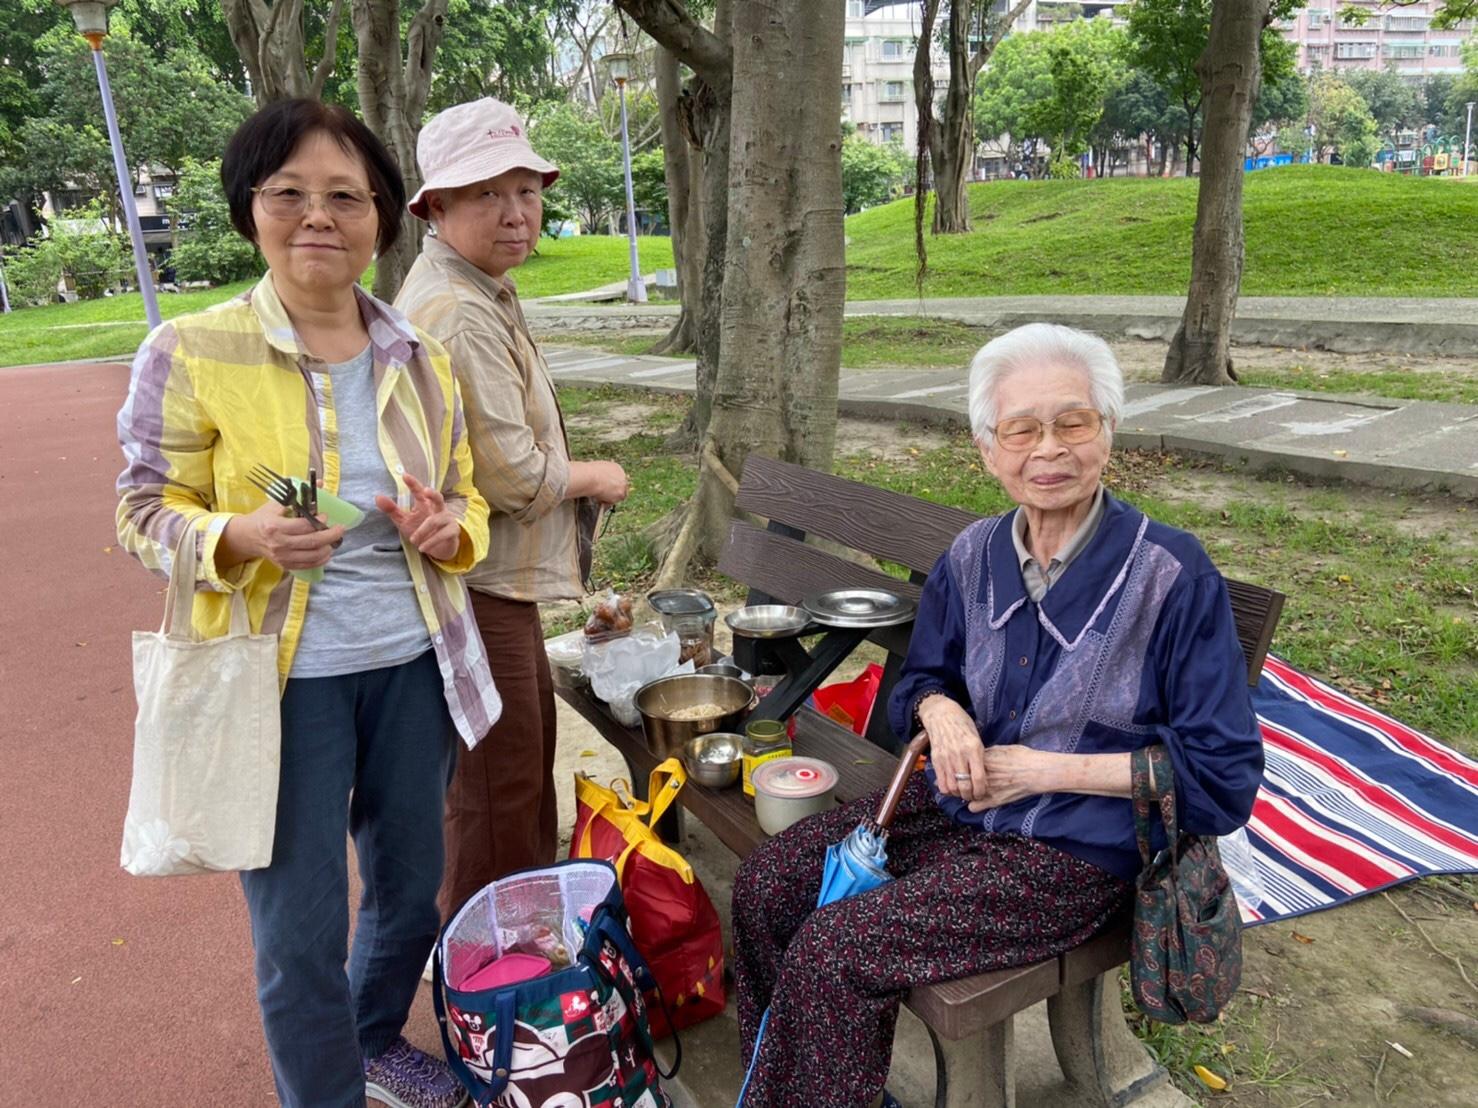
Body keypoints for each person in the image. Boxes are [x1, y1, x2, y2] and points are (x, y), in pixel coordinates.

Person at [731, 323, 1264, 1107]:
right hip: (957, 808)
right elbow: (923, 675)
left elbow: (1223, 782)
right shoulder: (973, 554)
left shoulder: (1172, 576)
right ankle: (800, 1082)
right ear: (988, 448)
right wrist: (943, 713)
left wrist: (1040, 770)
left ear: (1108, 433)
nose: (1048, 449)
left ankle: (811, 1087)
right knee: (769, 883)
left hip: (1077, 853)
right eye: (1021, 429)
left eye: (1072, 422)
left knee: (837, 948)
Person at [116, 99, 499, 1108]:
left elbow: (465, 502)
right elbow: (141, 509)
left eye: (346, 196)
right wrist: (236, 536)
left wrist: (445, 529)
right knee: (298, 932)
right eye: (289, 194)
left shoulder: (423, 360)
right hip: (274, 678)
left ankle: (370, 1037)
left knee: (413, 891)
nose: (318, 217)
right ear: (251, 212)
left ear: (381, 219)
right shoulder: (192, 350)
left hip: (413, 661)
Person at [395, 97, 630, 921]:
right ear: (438, 207)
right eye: (487, 193)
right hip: (477, 579)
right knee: (498, 786)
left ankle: (523, 938)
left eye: (526, 191)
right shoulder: (459, 310)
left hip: (498, 577)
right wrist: (597, 474)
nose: (516, 213)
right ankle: (488, 977)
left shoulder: (477, 285)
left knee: (517, 770)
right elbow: (516, 479)